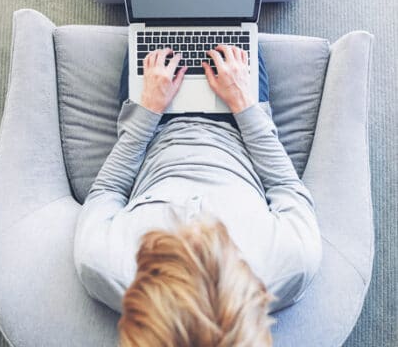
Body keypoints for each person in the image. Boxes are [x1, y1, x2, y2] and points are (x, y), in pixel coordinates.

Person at [73, 45, 323, 347]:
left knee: (150, 15)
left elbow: (108, 191)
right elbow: (285, 186)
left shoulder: (102, 264)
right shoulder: (294, 261)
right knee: (234, 16)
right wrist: (243, 105)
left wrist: (149, 110)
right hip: (239, 123)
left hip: (155, 124)